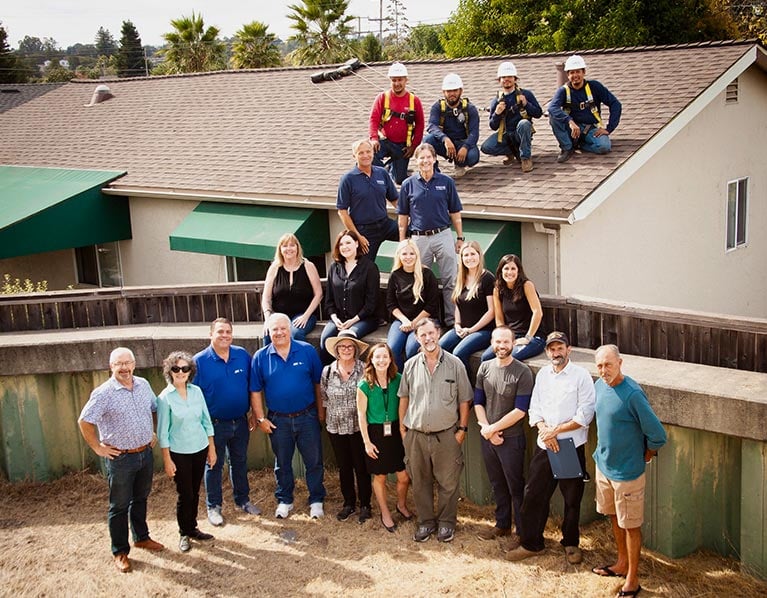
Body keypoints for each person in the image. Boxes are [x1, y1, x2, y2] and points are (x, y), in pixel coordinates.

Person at [505, 331, 595, 565]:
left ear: (569, 349)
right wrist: (545, 430)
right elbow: (535, 408)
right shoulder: (543, 374)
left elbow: (585, 414)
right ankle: (531, 543)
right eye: (552, 349)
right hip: (545, 445)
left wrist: (556, 431)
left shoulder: (581, 376)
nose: (556, 353)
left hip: (569, 446)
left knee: (571, 499)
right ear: (547, 351)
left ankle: (571, 543)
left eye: (560, 348)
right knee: (533, 495)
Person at [78, 347, 164, 573]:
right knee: (119, 506)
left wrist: (152, 432)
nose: (124, 368)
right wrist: (98, 447)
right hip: (121, 459)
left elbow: (155, 408)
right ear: (111, 367)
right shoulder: (103, 393)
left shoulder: (143, 385)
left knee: (141, 498)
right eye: (119, 364)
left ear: (134, 364)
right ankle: (120, 551)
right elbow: (85, 421)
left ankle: (142, 537)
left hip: (145, 454)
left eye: (128, 363)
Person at [592, 344, 667, 598]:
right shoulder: (599, 385)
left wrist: (645, 455)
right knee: (614, 517)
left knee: (631, 526)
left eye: (608, 365)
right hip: (604, 467)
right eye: (600, 365)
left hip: (627, 474)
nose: (604, 370)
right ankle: (621, 563)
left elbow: (657, 435)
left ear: (620, 363)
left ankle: (633, 580)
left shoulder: (633, 393)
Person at [398, 318, 472, 543]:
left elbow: (464, 400)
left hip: (446, 435)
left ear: (438, 333)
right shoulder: (410, 365)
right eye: (423, 335)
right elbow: (404, 397)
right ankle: (426, 522)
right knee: (420, 481)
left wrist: (462, 430)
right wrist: (403, 428)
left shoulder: (455, 364)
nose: (428, 339)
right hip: (416, 435)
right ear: (417, 338)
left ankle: (447, 523)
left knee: (448, 482)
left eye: (431, 333)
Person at [250, 313, 326, 519]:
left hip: (307, 416)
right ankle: (285, 500)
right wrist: (260, 419)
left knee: (314, 461)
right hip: (278, 420)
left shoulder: (307, 351)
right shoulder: (260, 357)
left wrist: (320, 412)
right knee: (282, 464)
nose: (279, 332)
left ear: (290, 329)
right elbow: (255, 390)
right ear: (269, 332)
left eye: (283, 328)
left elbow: (318, 384)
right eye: (274, 329)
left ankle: (316, 500)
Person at [193, 318, 260, 527]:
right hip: (213, 424)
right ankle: (213, 506)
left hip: (240, 421)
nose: (224, 336)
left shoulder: (242, 356)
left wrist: (252, 412)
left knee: (239, 462)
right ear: (211, 334)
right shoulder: (199, 361)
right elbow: (193, 396)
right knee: (213, 464)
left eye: (228, 332)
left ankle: (243, 500)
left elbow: (252, 386)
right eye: (220, 332)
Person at [473, 326, 533, 542]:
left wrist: (493, 429)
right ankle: (502, 524)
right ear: (491, 343)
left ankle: (520, 531)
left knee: (515, 486)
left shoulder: (522, 372)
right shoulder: (484, 368)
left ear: (513, 343)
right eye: (498, 342)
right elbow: (478, 403)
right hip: (488, 437)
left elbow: (520, 411)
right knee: (497, 483)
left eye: (506, 342)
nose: (502, 346)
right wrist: (486, 429)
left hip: (511, 440)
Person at [398, 142, 464, 328]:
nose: (425, 161)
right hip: (418, 238)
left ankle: (452, 321)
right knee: (421, 281)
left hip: (443, 234)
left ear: (434, 159)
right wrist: (403, 242)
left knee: (450, 280)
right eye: (422, 158)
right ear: (416, 160)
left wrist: (459, 238)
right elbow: (403, 217)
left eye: (429, 157)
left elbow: (455, 213)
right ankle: (426, 322)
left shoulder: (446, 182)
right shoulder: (407, 185)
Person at [157, 351, 217, 552]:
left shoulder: (196, 391)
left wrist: (212, 449)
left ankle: (193, 528)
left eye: (185, 368)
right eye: (176, 369)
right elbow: (162, 432)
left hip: (199, 448)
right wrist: (167, 460)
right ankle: (184, 533)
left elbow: (206, 421)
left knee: (195, 491)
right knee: (185, 494)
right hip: (179, 452)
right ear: (169, 371)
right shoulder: (165, 398)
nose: (180, 372)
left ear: (190, 371)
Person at [356, 343, 413, 533]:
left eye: (385, 357)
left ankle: (401, 505)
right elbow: (361, 415)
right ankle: (385, 512)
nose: (381, 360)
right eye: (377, 357)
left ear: (390, 359)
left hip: (396, 431)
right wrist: (366, 442)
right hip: (375, 433)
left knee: (403, 477)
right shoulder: (364, 384)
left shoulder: (398, 379)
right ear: (371, 360)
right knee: (379, 476)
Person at [320, 330, 373, 524]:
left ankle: (365, 504)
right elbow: (324, 397)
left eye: (350, 346)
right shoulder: (327, 371)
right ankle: (348, 503)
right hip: (336, 426)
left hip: (359, 427)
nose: (346, 349)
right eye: (342, 346)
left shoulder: (365, 370)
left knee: (361, 467)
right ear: (336, 350)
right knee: (344, 467)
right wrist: (324, 419)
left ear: (356, 349)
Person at [320, 229, 381, 364]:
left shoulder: (370, 267)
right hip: (339, 319)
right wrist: (335, 319)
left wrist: (352, 321)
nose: (344, 247)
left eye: (348, 243)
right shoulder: (334, 268)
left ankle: (351, 377)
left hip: (364, 319)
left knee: (347, 338)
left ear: (357, 244)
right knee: (325, 339)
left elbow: (371, 303)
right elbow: (329, 300)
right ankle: (329, 376)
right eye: (341, 244)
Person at [548, 54, 622, 163]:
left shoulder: (594, 87)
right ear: (568, 75)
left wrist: (609, 128)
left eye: (578, 71)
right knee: (553, 117)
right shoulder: (563, 91)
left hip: (590, 129)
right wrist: (570, 122)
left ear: (584, 72)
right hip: (571, 130)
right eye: (572, 72)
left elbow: (616, 104)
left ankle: (581, 145)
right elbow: (552, 108)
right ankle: (567, 148)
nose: (575, 75)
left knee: (604, 147)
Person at [336, 139, 400, 262]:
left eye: (368, 151)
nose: (365, 155)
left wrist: (406, 218)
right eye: (361, 153)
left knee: (416, 233)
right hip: (364, 231)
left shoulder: (382, 173)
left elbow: (395, 199)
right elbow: (342, 211)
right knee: (365, 268)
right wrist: (357, 236)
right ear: (354, 155)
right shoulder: (347, 179)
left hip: (385, 224)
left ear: (373, 152)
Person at [439, 240, 495, 369]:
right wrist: (457, 324)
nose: (469, 258)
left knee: (459, 352)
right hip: (462, 328)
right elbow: (458, 304)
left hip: (483, 330)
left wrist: (471, 330)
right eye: (466, 255)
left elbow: (491, 311)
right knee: (440, 347)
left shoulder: (487, 278)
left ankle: (466, 387)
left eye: (472, 254)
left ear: (479, 255)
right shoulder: (460, 278)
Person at [386, 239, 440, 371]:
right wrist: (405, 320)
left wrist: (414, 323)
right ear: (399, 255)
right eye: (404, 254)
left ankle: (414, 381)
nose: (408, 257)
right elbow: (390, 303)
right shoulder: (395, 275)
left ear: (417, 255)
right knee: (392, 349)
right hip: (401, 320)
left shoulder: (427, 274)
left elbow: (431, 305)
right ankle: (399, 380)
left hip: (424, 320)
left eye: (412, 253)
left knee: (412, 348)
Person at [480, 61, 542, 173]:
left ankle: (525, 158)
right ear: (499, 80)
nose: (506, 79)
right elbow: (493, 126)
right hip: (506, 134)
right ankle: (512, 152)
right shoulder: (497, 100)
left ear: (515, 79)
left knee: (524, 124)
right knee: (486, 147)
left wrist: (526, 104)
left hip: (521, 133)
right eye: (503, 77)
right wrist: (497, 114)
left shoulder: (525, 94)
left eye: (509, 76)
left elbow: (538, 113)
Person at [481, 254, 545, 362]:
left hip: (533, 337)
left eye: (513, 268)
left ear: (518, 271)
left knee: (509, 358)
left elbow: (537, 312)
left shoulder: (527, 285)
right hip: (511, 336)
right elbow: (499, 318)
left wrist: (527, 337)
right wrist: (502, 338)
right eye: (506, 268)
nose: (509, 272)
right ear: (501, 271)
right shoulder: (498, 288)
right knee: (486, 357)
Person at [369, 62, 425, 184]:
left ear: (406, 80)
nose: (397, 83)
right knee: (369, 154)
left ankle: (391, 168)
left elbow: (420, 124)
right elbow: (374, 119)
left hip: (403, 145)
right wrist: (374, 138)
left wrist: (414, 145)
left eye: (400, 80)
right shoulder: (383, 98)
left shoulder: (413, 100)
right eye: (394, 80)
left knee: (400, 179)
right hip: (385, 141)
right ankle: (381, 178)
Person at [261, 233, 322, 344]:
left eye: (292, 245)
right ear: (280, 249)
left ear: (297, 248)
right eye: (285, 246)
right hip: (279, 315)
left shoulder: (308, 266)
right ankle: (270, 361)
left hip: (303, 314)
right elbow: (266, 297)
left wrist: (305, 316)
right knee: (267, 334)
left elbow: (318, 294)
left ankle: (299, 360)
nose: (289, 249)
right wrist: (268, 318)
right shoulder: (274, 268)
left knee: (296, 333)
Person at [423, 73, 480, 178]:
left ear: (461, 91)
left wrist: (465, 147)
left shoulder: (469, 109)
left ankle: (460, 163)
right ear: (443, 92)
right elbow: (431, 126)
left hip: (462, 143)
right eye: (449, 91)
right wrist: (445, 139)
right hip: (445, 144)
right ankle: (433, 170)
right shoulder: (438, 107)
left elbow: (474, 132)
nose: (452, 93)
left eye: (455, 90)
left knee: (472, 157)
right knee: (427, 141)